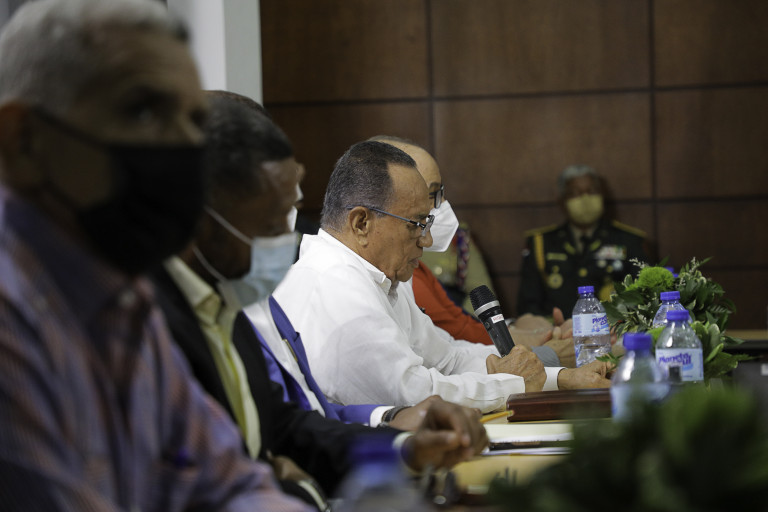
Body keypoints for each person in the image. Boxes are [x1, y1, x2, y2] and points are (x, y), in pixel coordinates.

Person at [0, 0, 315, 509]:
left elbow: (229, 483)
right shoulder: (12, 317)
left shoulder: (126, 301)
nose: (187, 148)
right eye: (143, 111)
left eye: (194, 120)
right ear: (23, 141)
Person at [150, 90, 489, 507]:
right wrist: (303, 490)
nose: (286, 234)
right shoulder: (148, 322)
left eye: (289, 211)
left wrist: (405, 448)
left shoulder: (226, 304)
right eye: (269, 213)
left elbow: (287, 426)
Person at [274, 141, 611, 414]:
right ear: (361, 223)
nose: (427, 240)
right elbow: (413, 394)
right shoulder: (335, 285)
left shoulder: (378, 277)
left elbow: (449, 359)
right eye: (416, 225)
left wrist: (558, 378)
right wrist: (513, 383)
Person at [369, 135, 576, 368]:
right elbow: (443, 354)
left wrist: (539, 346)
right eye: (432, 195)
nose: (441, 205)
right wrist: (544, 351)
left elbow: (450, 354)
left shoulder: (406, 270)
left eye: (441, 192)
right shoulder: (386, 273)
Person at [517, 164, 648, 318]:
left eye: (592, 191)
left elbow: (644, 297)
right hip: (556, 330)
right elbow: (528, 305)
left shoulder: (628, 240)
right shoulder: (541, 243)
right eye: (575, 193)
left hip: (611, 329)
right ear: (561, 201)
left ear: (602, 196)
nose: (585, 199)